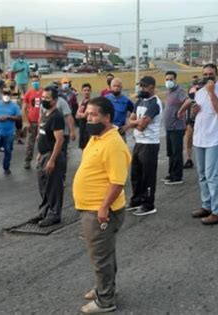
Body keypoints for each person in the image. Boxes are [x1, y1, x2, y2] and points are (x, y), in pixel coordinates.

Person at [73, 96, 131, 314]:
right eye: (87, 114)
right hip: (91, 207)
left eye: (94, 114)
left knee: (101, 257)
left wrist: (104, 207)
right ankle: (103, 288)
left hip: (101, 212)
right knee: (103, 253)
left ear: (107, 117)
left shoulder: (113, 144)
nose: (89, 118)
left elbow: (118, 181)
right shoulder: (97, 137)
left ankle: (105, 300)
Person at [191, 64, 218, 225]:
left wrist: (211, 92)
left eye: (211, 74)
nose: (208, 76)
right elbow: (201, 113)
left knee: (211, 175)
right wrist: (195, 111)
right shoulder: (199, 93)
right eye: (205, 74)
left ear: (216, 75)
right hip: (200, 138)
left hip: (215, 138)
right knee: (202, 175)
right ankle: (207, 206)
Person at [29, 86, 66, 227]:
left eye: (47, 98)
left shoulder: (56, 116)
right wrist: (39, 153)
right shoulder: (45, 113)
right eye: (42, 97)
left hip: (52, 155)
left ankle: (54, 214)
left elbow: (59, 140)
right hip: (44, 154)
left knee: (53, 187)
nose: (43, 100)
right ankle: (44, 211)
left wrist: (52, 160)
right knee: (43, 185)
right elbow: (43, 135)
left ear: (55, 100)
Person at [127, 76, 162, 216]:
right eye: (140, 86)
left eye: (144, 86)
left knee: (148, 176)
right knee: (135, 174)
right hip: (139, 142)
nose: (141, 89)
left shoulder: (155, 104)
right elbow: (132, 119)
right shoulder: (140, 101)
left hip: (150, 144)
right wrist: (136, 122)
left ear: (152, 87)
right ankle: (136, 200)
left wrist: (135, 123)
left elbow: (141, 126)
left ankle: (148, 204)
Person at [163, 70, 190, 185]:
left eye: (171, 79)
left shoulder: (180, 91)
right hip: (169, 128)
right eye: (167, 79)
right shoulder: (169, 91)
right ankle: (171, 173)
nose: (169, 81)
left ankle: (177, 176)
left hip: (177, 127)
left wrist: (181, 110)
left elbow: (188, 101)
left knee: (176, 152)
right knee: (170, 152)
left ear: (175, 79)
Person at [0, 89, 21, 176]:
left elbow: (18, 117)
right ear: (2, 95)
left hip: (9, 133)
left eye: (8, 94)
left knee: (8, 151)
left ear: (10, 95)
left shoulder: (14, 106)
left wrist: (9, 117)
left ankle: (6, 168)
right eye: (5, 94)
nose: (6, 95)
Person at [22, 75, 43, 169]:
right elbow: (24, 109)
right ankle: (27, 161)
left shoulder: (44, 92)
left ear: (39, 81)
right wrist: (26, 122)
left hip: (42, 122)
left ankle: (41, 161)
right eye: (33, 81)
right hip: (32, 122)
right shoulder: (29, 93)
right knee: (30, 143)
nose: (35, 82)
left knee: (42, 142)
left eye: (36, 80)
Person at [184, 76, 201, 169]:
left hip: (201, 121)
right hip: (191, 121)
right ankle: (189, 159)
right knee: (188, 141)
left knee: (200, 142)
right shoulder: (190, 91)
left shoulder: (202, 92)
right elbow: (186, 106)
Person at [76, 83, 92, 150]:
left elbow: (85, 116)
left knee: (89, 147)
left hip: (89, 128)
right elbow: (76, 115)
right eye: (85, 90)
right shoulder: (81, 102)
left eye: (88, 90)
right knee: (83, 147)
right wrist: (80, 114)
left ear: (90, 91)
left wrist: (80, 114)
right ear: (82, 91)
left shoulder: (91, 102)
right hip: (81, 127)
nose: (86, 92)